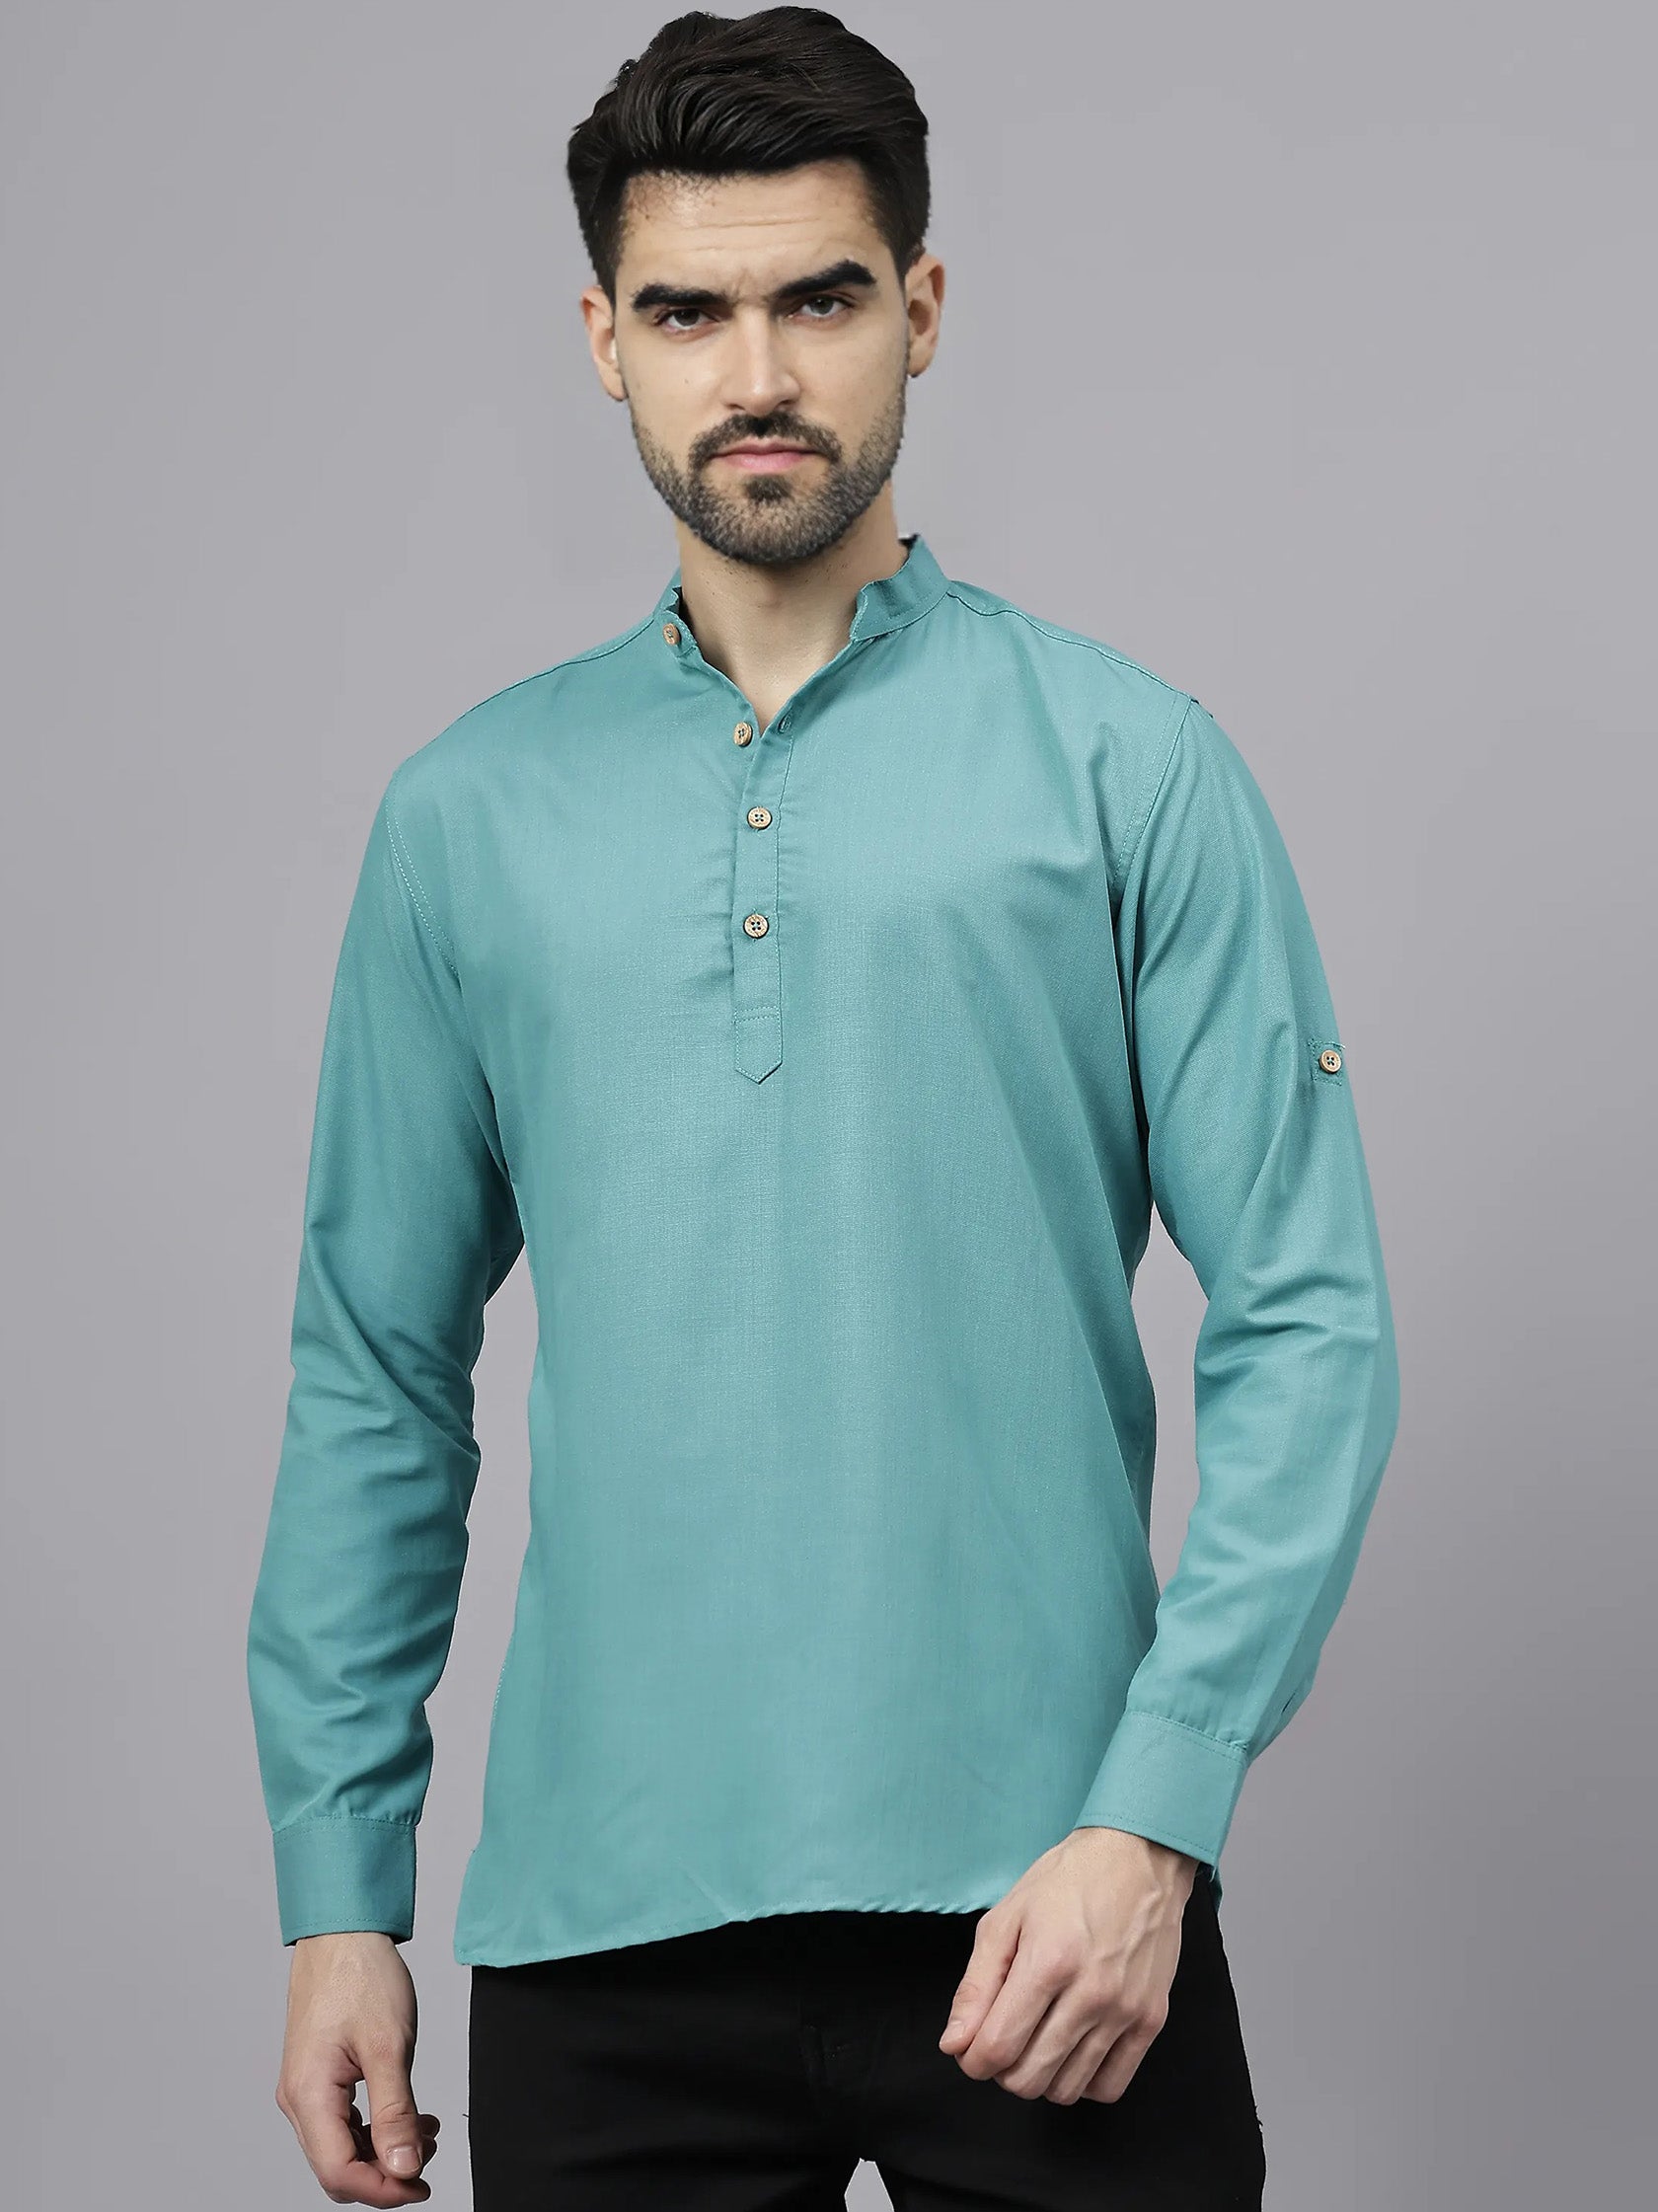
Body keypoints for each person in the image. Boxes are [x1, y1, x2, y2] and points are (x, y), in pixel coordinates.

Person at [246, 8, 1400, 2206]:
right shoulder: (466, 817)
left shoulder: (1128, 766)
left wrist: (1159, 1812)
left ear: (921, 311)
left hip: (1057, 1911)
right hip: (601, 1929)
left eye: (820, 299)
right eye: (689, 310)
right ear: (605, 338)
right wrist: (337, 1891)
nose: (756, 372)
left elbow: (1311, 1319)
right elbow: (373, 1373)